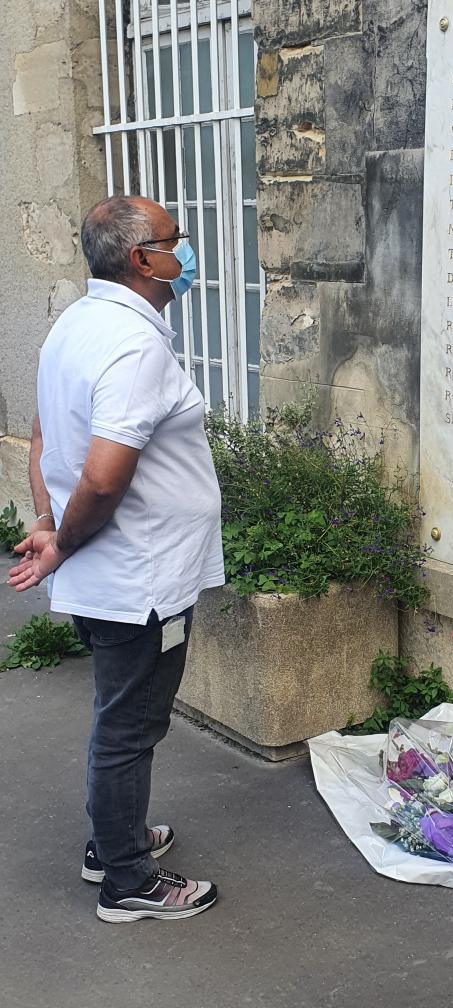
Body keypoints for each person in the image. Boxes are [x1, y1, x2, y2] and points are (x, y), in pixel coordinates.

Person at [8, 195, 225, 922]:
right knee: (130, 728)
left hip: (112, 576)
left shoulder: (76, 324)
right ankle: (128, 881)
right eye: (176, 240)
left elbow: (42, 441)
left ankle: (114, 838)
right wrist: (63, 541)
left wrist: (45, 524)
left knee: (118, 717)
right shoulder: (132, 344)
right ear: (142, 260)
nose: (185, 250)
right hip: (141, 582)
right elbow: (103, 475)